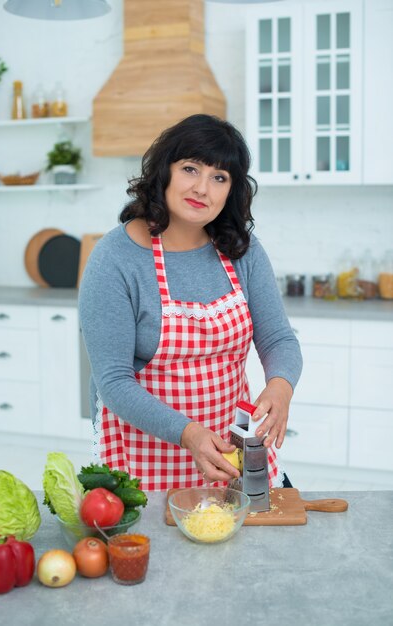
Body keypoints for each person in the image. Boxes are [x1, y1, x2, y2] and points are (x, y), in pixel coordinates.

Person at [78, 114, 302, 492]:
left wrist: (280, 386)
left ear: (231, 190)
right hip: (144, 456)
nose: (202, 188)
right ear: (163, 172)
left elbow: (278, 338)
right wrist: (190, 434)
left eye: (219, 177)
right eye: (190, 169)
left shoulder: (240, 249)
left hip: (231, 451)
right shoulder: (115, 259)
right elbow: (114, 382)